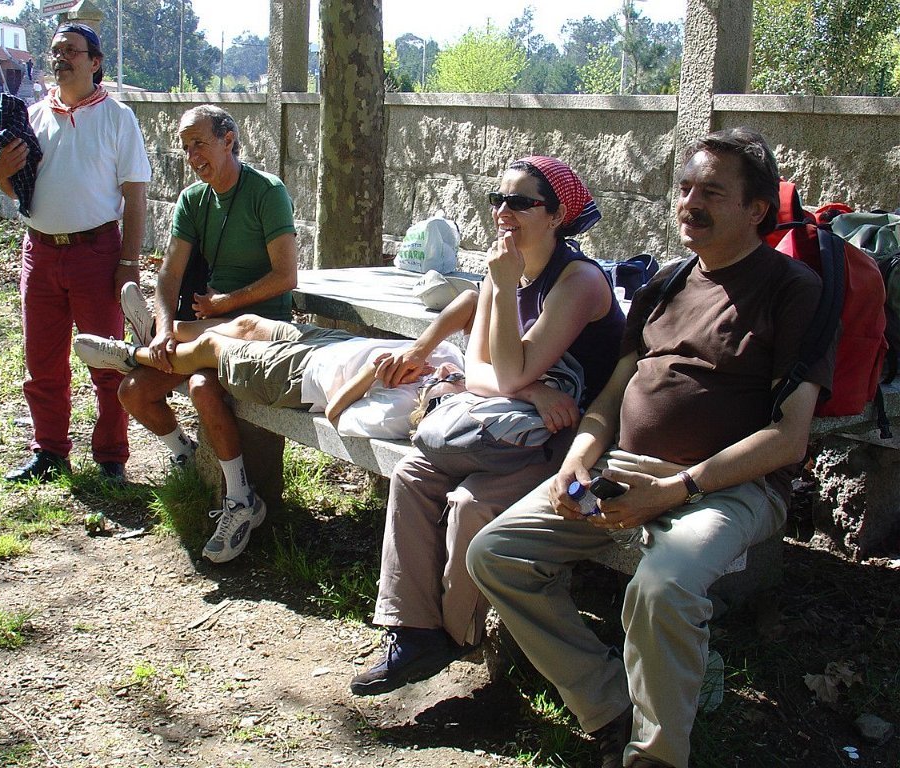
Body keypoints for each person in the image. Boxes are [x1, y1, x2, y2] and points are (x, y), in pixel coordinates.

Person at [467, 129, 835, 768]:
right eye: (684, 188)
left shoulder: (793, 290)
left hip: (728, 488)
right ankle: (610, 704)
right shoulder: (664, 283)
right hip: (622, 471)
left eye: (711, 193)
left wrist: (673, 490)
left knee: (660, 589)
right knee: (497, 554)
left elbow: (789, 437)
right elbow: (612, 396)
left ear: (756, 210)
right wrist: (579, 459)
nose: (689, 203)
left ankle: (658, 755)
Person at [349, 156, 626, 696]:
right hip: (511, 424)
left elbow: (506, 370)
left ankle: (457, 636)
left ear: (556, 215)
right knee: (412, 472)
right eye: (498, 199)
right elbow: (479, 372)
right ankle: (412, 632)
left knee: (471, 503)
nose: (503, 212)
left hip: (570, 439)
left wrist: (514, 369)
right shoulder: (504, 268)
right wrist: (530, 388)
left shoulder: (578, 281)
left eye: (520, 202)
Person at [74, 291, 479, 562]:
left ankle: (134, 355)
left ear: (431, 408)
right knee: (247, 324)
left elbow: (337, 414)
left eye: (443, 385)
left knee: (213, 349)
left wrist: (374, 374)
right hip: (331, 343)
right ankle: (159, 335)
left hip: (298, 378)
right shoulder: (458, 365)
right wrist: (418, 350)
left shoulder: (396, 414)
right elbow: (471, 299)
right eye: (456, 380)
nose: (446, 374)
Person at [117, 105, 299, 553]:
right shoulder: (192, 200)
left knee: (201, 386)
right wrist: (164, 328)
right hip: (207, 329)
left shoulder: (267, 191)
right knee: (132, 392)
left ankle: (241, 498)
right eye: (185, 147)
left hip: (258, 332)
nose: (192, 156)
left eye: (199, 143)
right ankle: (184, 453)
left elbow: (286, 276)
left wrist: (225, 302)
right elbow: (169, 274)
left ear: (228, 140)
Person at [0, 22, 150, 484]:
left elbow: (135, 196)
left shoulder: (117, 118)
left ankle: (111, 458)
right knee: (42, 362)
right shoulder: (32, 116)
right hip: (39, 254)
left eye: (71, 51)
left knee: (108, 361)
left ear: (95, 62)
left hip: (96, 254)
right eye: (56, 51)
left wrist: (128, 264)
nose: (61, 58)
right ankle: (49, 452)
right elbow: (16, 187)